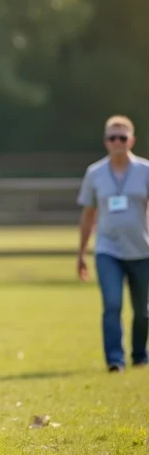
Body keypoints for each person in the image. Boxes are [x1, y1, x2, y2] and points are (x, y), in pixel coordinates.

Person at [76, 115, 149, 372]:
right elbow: (88, 215)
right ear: (106, 141)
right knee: (113, 304)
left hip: (141, 249)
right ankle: (115, 360)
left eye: (122, 137)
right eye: (112, 137)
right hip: (108, 249)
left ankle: (140, 355)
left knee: (143, 310)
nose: (117, 142)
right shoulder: (94, 173)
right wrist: (82, 252)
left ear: (132, 140)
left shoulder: (145, 171)